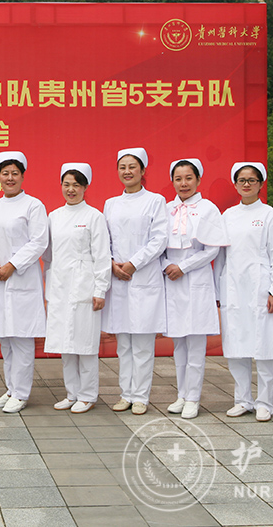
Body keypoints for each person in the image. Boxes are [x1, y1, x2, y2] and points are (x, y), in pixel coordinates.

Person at [0, 151, 49, 414]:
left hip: (21, 279)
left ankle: (21, 393)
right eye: (5, 173)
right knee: (5, 340)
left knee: (22, 339)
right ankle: (10, 389)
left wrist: (12, 265)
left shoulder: (33, 205)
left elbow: (39, 241)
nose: (10, 178)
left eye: (14, 173)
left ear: (22, 176)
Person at [217, 162, 273, 422]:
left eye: (252, 180)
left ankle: (265, 402)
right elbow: (221, 256)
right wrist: (219, 291)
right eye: (242, 180)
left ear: (260, 184)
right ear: (235, 184)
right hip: (233, 287)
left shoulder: (271, 215)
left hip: (260, 286)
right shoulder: (227, 215)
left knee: (264, 347)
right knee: (236, 345)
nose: (246, 184)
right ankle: (242, 400)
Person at [102, 148, 168, 416]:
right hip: (118, 278)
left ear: (143, 171)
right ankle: (125, 394)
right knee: (124, 345)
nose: (127, 171)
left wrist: (133, 263)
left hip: (143, 277)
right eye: (122, 167)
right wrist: (111, 262)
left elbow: (159, 239)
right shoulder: (111, 204)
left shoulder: (155, 201)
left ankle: (140, 396)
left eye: (132, 167)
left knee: (142, 344)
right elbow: (104, 238)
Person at [162, 158, 228, 420]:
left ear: (198, 180)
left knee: (196, 346)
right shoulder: (166, 209)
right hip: (172, 281)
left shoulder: (208, 209)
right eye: (178, 179)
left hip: (197, 280)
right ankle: (181, 395)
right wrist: (167, 265)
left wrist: (183, 266)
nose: (183, 183)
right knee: (179, 345)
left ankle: (193, 398)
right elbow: (158, 245)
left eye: (188, 178)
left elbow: (212, 249)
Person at [44, 163, 111, 414]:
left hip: (85, 285)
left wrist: (100, 290)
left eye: (76, 185)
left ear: (85, 187)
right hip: (60, 287)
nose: (71, 189)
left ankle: (88, 395)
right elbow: (48, 256)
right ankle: (71, 393)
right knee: (65, 345)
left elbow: (102, 256)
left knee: (85, 344)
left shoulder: (94, 216)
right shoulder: (54, 216)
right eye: (66, 184)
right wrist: (50, 287)